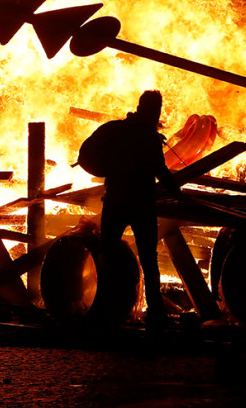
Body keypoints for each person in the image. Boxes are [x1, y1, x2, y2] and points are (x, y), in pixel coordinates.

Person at [92, 90, 179, 328]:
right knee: (149, 261)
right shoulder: (148, 138)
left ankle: (100, 309)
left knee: (106, 255)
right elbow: (161, 171)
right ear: (153, 110)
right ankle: (156, 314)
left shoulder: (119, 131)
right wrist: (178, 194)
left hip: (115, 201)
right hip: (141, 204)